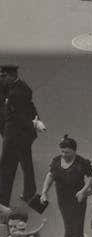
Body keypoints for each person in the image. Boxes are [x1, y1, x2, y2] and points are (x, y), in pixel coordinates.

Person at [0, 63, 45, 209]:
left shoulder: (18, 93)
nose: (0, 79)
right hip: (16, 131)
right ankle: (30, 194)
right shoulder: (12, 85)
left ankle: (2, 204)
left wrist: (35, 123)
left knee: (6, 168)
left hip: (16, 134)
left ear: (10, 76)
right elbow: (30, 107)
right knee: (26, 162)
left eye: (3, 76)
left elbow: (21, 115)